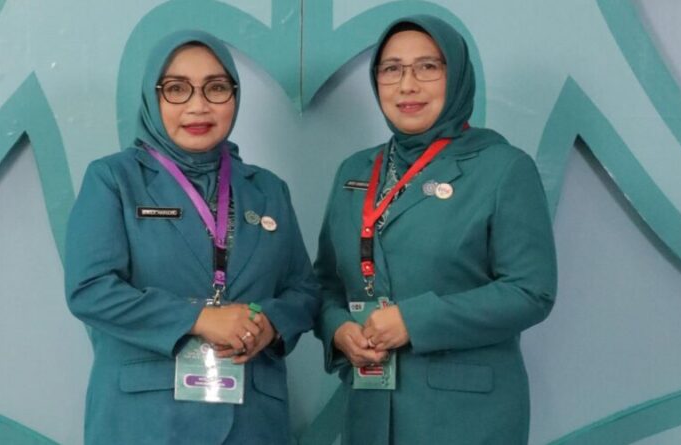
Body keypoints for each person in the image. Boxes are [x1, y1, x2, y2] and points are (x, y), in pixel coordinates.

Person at [65, 30, 319, 445]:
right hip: (146, 422)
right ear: (153, 96)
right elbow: (90, 289)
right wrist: (199, 319)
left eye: (215, 88)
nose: (198, 106)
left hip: (253, 422)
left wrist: (270, 324)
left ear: (234, 95)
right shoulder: (115, 179)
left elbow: (304, 290)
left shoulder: (268, 189)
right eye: (177, 89)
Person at [314, 15, 557, 445]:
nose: (407, 85)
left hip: (465, 419)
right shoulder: (355, 171)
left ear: (457, 75)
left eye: (427, 67)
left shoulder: (502, 168)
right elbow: (326, 284)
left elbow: (530, 291)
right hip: (369, 409)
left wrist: (413, 320)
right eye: (392, 69)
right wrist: (337, 329)